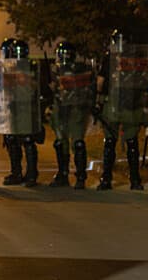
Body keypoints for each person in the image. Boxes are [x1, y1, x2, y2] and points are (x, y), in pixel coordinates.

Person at [94, 29, 148, 191]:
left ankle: (106, 179)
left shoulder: (110, 59)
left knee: (110, 143)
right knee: (132, 142)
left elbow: (100, 82)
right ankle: (135, 180)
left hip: (113, 104)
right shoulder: (137, 59)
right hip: (132, 105)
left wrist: (98, 103)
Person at [0, 38, 41, 187]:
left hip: (26, 107)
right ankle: (18, 173)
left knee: (27, 140)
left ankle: (30, 174)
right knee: (11, 139)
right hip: (13, 107)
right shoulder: (10, 68)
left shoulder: (30, 67)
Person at [49, 42, 93, 189]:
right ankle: (63, 174)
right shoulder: (56, 70)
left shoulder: (81, 70)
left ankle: (79, 176)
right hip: (62, 109)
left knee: (77, 143)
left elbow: (90, 89)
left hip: (75, 109)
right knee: (61, 142)